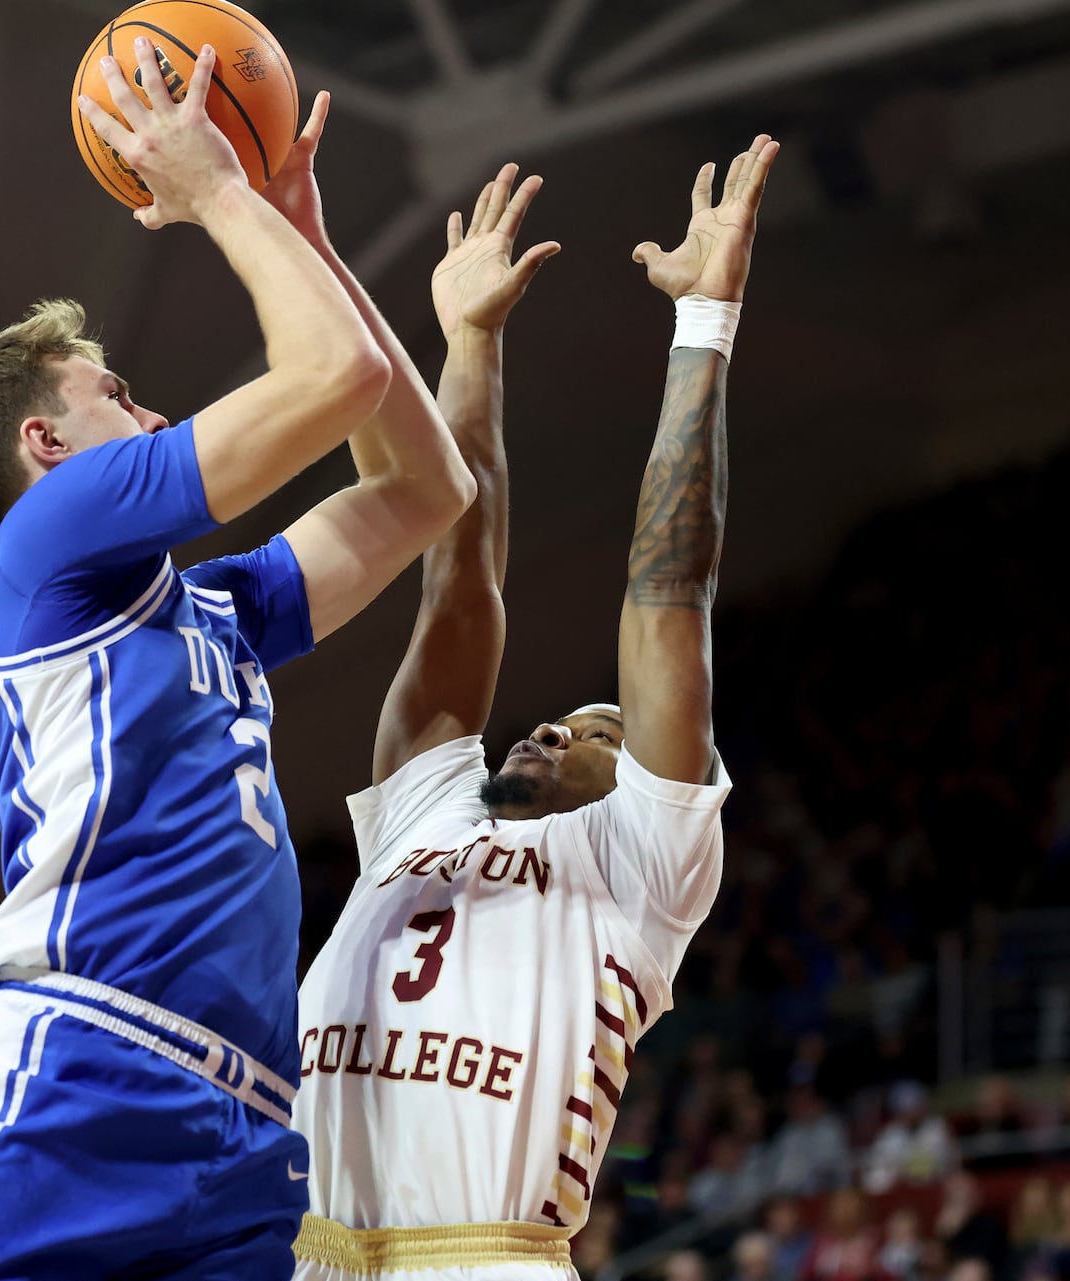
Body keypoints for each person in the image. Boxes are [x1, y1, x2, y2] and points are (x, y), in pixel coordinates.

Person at [0, 48, 475, 1281]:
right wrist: (215, 196)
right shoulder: (48, 541)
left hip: (244, 1131)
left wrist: (305, 238)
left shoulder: (208, 612)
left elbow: (425, 489)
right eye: (115, 393)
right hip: (82, 1069)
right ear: (45, 443)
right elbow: (331, 377)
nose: (148, 413)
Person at [292, 135, 779, 1277]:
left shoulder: (639, 861)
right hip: (300, 1252)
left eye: (601, 731)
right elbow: (457, 578)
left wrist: (702, 323)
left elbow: (667, 589)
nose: (557, 725)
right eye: (558, 716)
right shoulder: (424, 812)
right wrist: (470, 342)